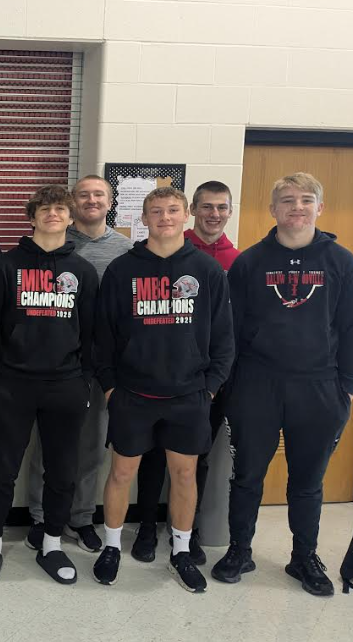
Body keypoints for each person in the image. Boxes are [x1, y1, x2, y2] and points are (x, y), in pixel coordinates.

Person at [212, 172, 353, 597]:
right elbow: (231, 330)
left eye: (306, 200)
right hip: (257, 386)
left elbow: (349, 327)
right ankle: (240, 550)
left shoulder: (342, 262)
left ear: (319, 208)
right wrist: (231, 385)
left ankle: (303, 557)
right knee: (247, 476)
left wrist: (345, 386)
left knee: (308, 481)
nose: (297, 207)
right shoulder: (250, 262)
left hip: (318, 388)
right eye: (287, 200)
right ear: (272, 209)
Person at [92, 187, 234, 593]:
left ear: (186, 215)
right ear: (145, 217)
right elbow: (103, 337)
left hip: (188, 395)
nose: (165, 217)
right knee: (122, 472)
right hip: (132, 393)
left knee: (185, 474)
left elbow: (224, 338)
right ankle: (112, 547)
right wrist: (109, 388)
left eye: (173, 210)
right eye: (157, 211)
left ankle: (181, 551)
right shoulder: (122, 270)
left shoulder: (207, 272)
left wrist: (208, 389)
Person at [0, 185, 98, 584]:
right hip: (11, 384)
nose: (53, 214)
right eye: (45, 208)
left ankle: (52, 545)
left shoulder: (82, 271)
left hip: (65, 385)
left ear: (70, 217)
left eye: (60, 208)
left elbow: (93, 332)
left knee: (63, 472)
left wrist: (84, 380)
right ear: (32, 217)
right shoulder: (5, 266)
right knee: (3, 469)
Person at [131, 181, 239, 565]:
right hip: (148, 384)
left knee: (196, 462)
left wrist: (211, 386)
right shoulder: (159, 255)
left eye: (221, 207)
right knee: (151, 458)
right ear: (195, 209)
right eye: (207, 206)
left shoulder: (233, 260)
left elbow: (227, 329)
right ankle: (146, 527)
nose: (214, 213)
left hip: (200, 385)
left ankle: (186, 534)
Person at [25, 175, 132, 555]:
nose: (91, 200)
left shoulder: (126, 250)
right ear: (71, 206)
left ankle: (82, 517)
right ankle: (39, 516)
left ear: (109, 201)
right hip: (56, 366)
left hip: (102, 365)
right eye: (83, 195)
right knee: (46, 447)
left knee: (90, 447)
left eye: (98, 194)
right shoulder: (54, 245)